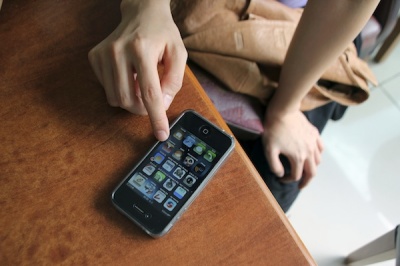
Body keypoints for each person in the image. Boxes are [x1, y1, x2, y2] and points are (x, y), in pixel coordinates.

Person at [88, 0, 380, 211]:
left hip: (308, 21)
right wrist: (148, 7)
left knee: (275, 187)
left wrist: (286, 108)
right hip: (190, 10)